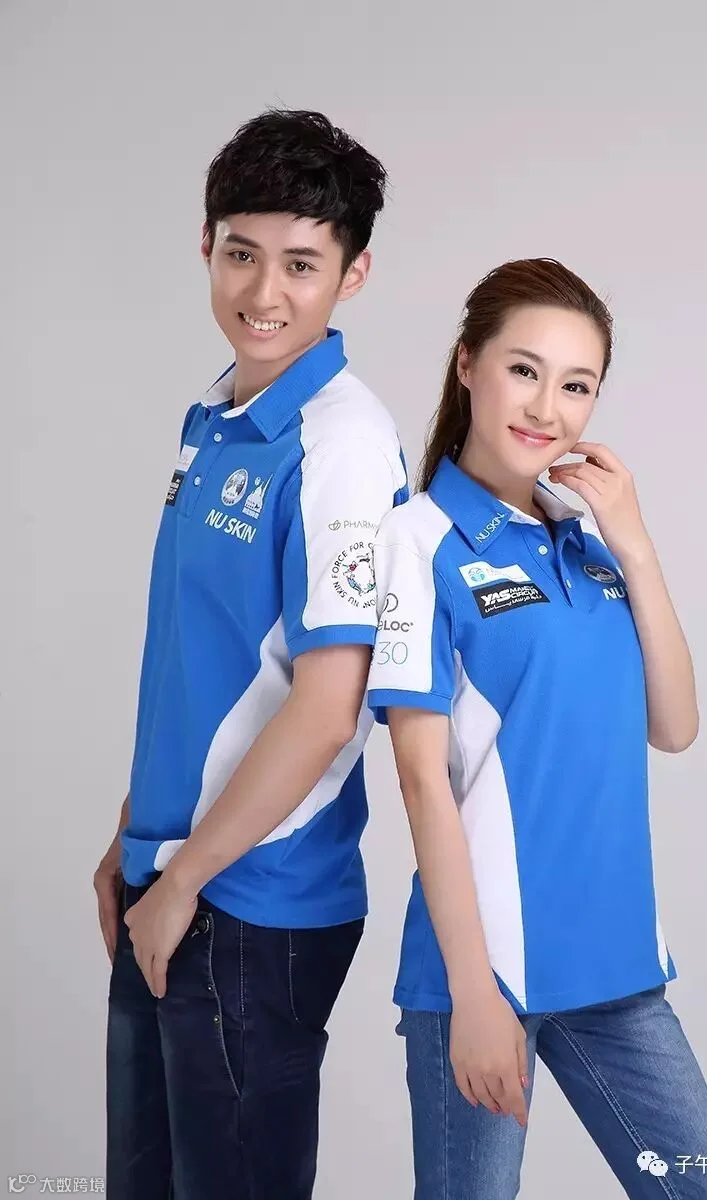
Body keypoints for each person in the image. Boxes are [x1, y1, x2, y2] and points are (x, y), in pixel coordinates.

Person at [366, 258, 707, 1198]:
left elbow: (676, 726)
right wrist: (473, 995)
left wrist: (636, 545)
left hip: (617, 967)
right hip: (485, 973)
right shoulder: (416, 539)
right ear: (468, 365)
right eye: (524, 370)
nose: (548, 408)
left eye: (577, 385)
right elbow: (420, 780)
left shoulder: (589, 544)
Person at [92, 109, 408, 1200]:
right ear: (206, 245)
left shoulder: (340, 445)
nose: (263, 291)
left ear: (352, 275)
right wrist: (133, 835)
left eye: (301, 264)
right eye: (241, 253)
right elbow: (204, 661)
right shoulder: (216, 416)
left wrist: (183, 875)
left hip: (253, 899)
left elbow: (327, 709)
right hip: (171, 873)